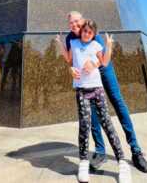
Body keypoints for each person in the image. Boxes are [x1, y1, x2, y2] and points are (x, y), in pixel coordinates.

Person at [59, 11, 147, 173]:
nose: (74, 25)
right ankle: (100, 151)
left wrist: (93, 64)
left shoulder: (91, 31)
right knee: (91, 111)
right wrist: (71, 70)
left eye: (76, 21)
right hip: (85, 78)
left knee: (118, 102)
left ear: (83, 20)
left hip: (102, 70)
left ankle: (136, 150)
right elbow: (72, 61)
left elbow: (103, 57)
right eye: (70, 23)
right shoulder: (69, 38)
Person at [56, 19, 131, 183]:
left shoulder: (96, 45)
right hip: (81, 90)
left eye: (90, 32)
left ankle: (122, 163)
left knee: (107, 124)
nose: (86, 34)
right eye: (85, 31)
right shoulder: (74, 43)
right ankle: (83, 162)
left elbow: (104, 61)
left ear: (93, 34)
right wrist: (60, 44)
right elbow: (68, 59)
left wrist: (109, 44)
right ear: (81, 31)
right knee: (84, 125)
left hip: (97, 90)